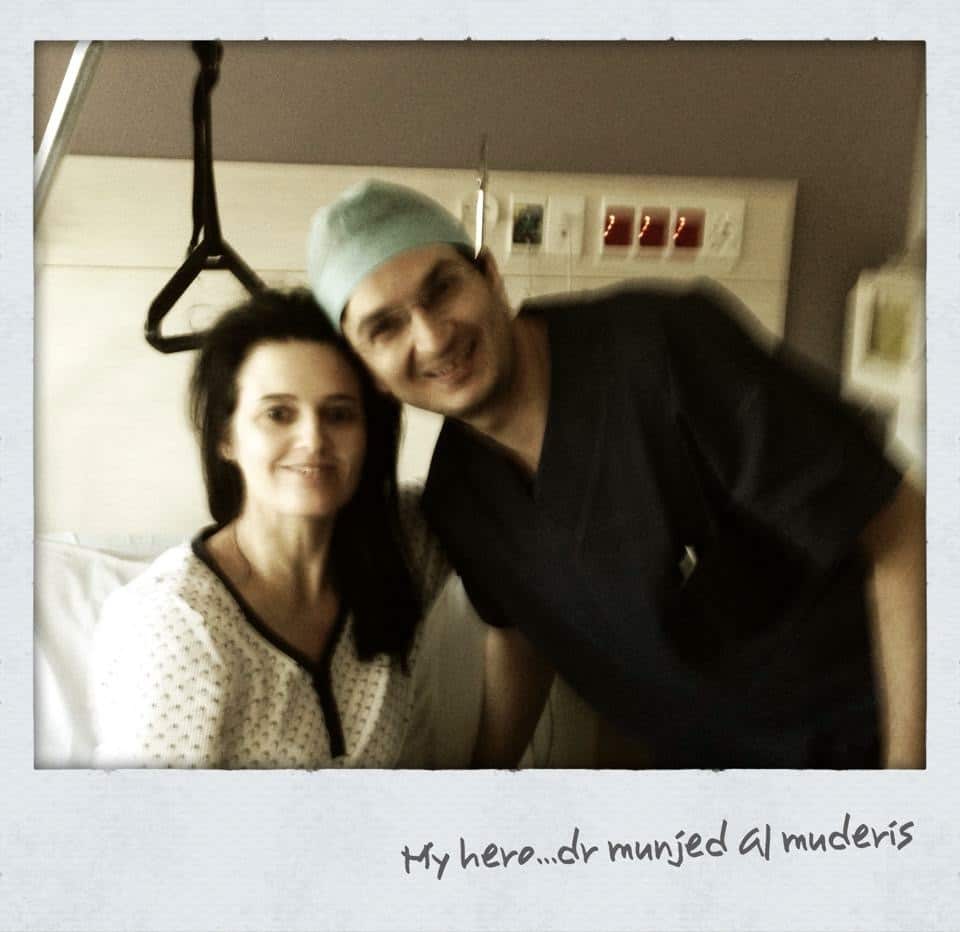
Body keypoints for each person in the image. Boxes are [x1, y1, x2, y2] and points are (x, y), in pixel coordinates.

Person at [305, 179, 926, 770]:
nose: (434, 336)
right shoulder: (459, 497)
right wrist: (488, 778)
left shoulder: (666, 350)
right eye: (385, 327)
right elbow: (523, 632)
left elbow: (900, 525)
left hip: (868, 736)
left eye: (442, 289)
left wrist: (907, 779)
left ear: (490, 275)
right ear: (368, 371)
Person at [90, 288, 474, 769]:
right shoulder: (177, 627)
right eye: (278, 413)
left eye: (339, 414)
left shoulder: (401, 548)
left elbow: (506, 454)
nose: (313, 439)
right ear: (226, 437)